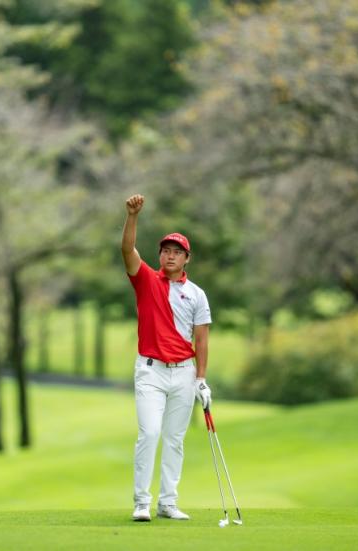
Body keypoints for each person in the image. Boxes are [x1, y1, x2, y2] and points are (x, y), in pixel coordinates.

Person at [121, 193, 212, 522]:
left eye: (177, 252)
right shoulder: (146, 280)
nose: (170, 256)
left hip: (184, 373)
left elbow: (201, 339)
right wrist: (132, 217)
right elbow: (127, 250)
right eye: (166, 251)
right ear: (160, 255)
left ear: (187, 258)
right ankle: (141, 502)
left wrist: (201, 379)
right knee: (149, 433)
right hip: (151, 371)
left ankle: (167, 502)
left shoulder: (197, 294)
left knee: (174, 439)